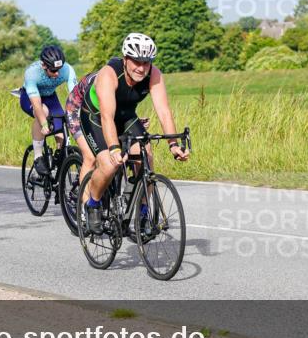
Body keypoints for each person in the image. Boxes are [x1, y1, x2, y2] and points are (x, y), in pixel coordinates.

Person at [74, 32, 188, 234]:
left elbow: (164, 111)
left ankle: (142, 211)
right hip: (96, 116)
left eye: (146, 62)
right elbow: (107, 117)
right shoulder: (109, 74)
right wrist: (114, 148)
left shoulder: (154, 74)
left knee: (146, 155)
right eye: (136, 61)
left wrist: (173, 145)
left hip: (126, 116)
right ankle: (92, 204)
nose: (141, 68)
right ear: (125, 59)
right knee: (109, 164)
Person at [19, 45, 77, 176]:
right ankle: (38, 157)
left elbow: (75, 95)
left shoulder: (67, 69)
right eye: (53, 70)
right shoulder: (32, 73)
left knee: (61, 129)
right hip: (29, 97)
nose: (57, 74)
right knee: (43, 113)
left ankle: (58, 162)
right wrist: (44, 124)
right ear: (44, 66)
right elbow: (37, 104)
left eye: (59, 70)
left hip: (50, 97)